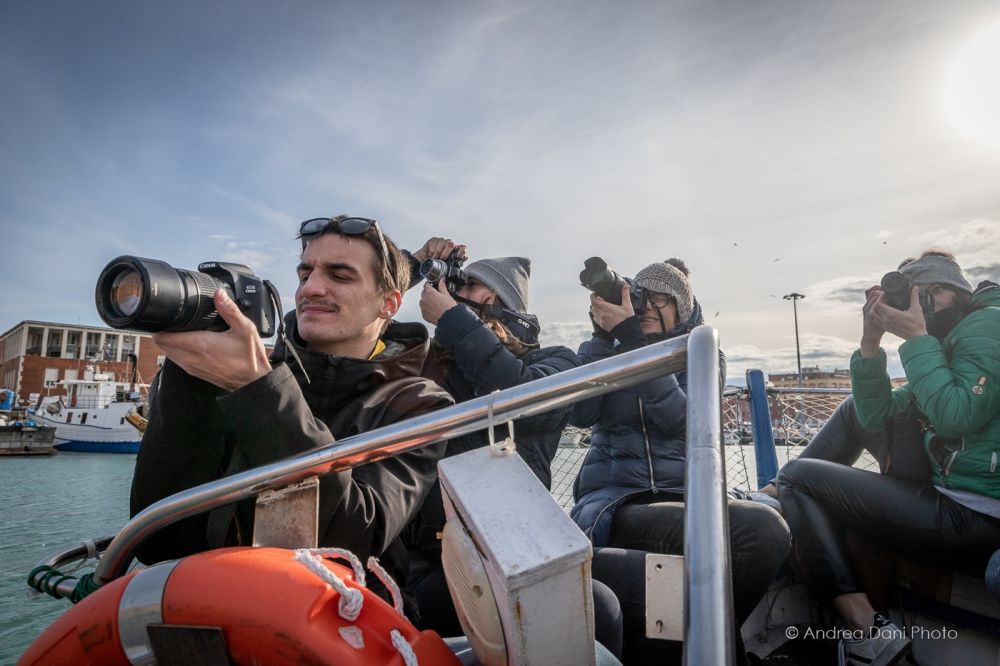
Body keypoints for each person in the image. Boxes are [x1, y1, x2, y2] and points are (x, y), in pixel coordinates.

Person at [130, 215, 454, 589]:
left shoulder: (421, 404)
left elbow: (355, 539)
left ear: (389, 303)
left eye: (340, 275)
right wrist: (190, 376)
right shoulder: (253, 374)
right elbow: (160, 539)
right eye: (305, 275)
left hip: (345, 620)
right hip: (216, 599)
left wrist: (259, 390)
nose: (310, 288)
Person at [398, 239, 628, 655]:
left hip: (520, 549)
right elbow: (360, 327)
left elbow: (524, 401)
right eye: (457, 289)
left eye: (470, 292)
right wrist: (412, 268)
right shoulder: (429, 360)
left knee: (606, 607)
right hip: (434, 558)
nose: (456, 298)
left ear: (494, 301)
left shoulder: (554, 361)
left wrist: (454, 319)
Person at [776, 251, 1000, 666]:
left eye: (936, 294)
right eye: (919, 296)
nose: (927, 306)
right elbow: (875, 416)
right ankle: (775, 498)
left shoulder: (987, 326)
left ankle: (867, 633)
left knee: (796, 476)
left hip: (980, 517)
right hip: (956, 502)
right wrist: (870, 342)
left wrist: (916, 339)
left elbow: (955, 416)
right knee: (823, 444)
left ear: (961, 293)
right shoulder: (945, 342)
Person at [569, 259, 790, 664]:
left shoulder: (704, 353)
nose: (649, 307)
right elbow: (580, 414)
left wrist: (635, 342)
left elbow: (683, 421)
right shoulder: (614, 350)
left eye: (661, 299)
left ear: (683, 307)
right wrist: (604, 338)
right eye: (641, 298)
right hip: (619, 502)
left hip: (685, 495)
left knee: (767, 528)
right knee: (758, 529)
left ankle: (701, 649)